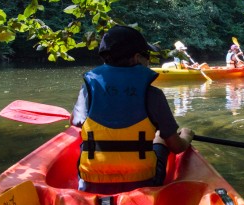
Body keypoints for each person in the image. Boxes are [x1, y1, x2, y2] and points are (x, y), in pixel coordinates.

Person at [69, 25, 194, 194]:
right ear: (137, 58)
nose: (149, 60)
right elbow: (177, 147)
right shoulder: (153, 94)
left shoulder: (88, 91)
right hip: (144, 182)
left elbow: (74, 122)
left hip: (92, 183)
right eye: (147, 55)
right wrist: (186, 136)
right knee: (161, 137)